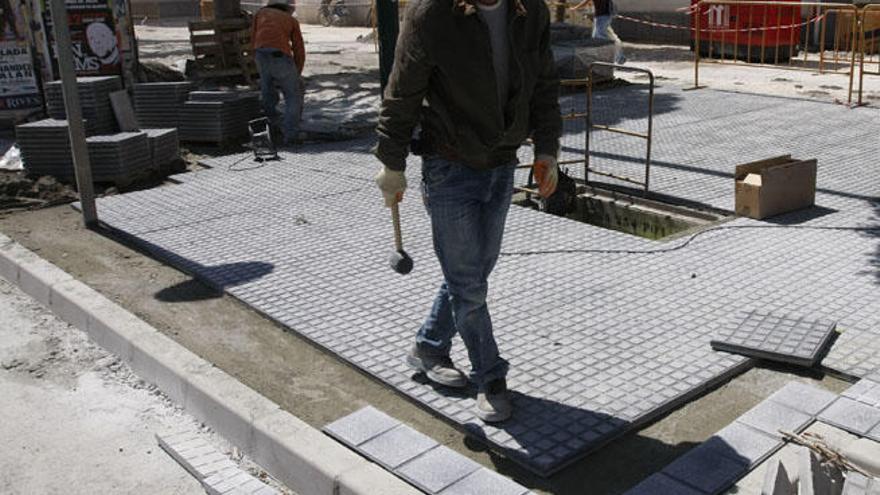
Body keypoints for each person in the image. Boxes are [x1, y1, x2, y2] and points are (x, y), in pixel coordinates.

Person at [373, 0, 562, 423]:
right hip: (449, 165)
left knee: (471, 275)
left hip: (501, 164)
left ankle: (427, 348)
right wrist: (391, 163)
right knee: (469, 285)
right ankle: (490, 377)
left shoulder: (531, 11)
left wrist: (547, 149)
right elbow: (402, 92)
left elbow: (545, 85)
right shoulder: (431, 15)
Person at [251, 0, 306, 146]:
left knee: (268, 94)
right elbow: (298, 49)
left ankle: (272, 131)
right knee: (293, 96)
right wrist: (297, 73)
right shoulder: (290, 20)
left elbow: (253, 37)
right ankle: (291, 134)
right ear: (288, 7)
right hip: (280, 57)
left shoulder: (260, 14)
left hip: (260, 55)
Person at [570, 0, 626, 65]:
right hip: (604, 17)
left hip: (602, 17)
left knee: (599, 38)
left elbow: (586, 2)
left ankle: (604, 58)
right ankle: (620, 57)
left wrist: (575, 8)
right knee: (608, 37)